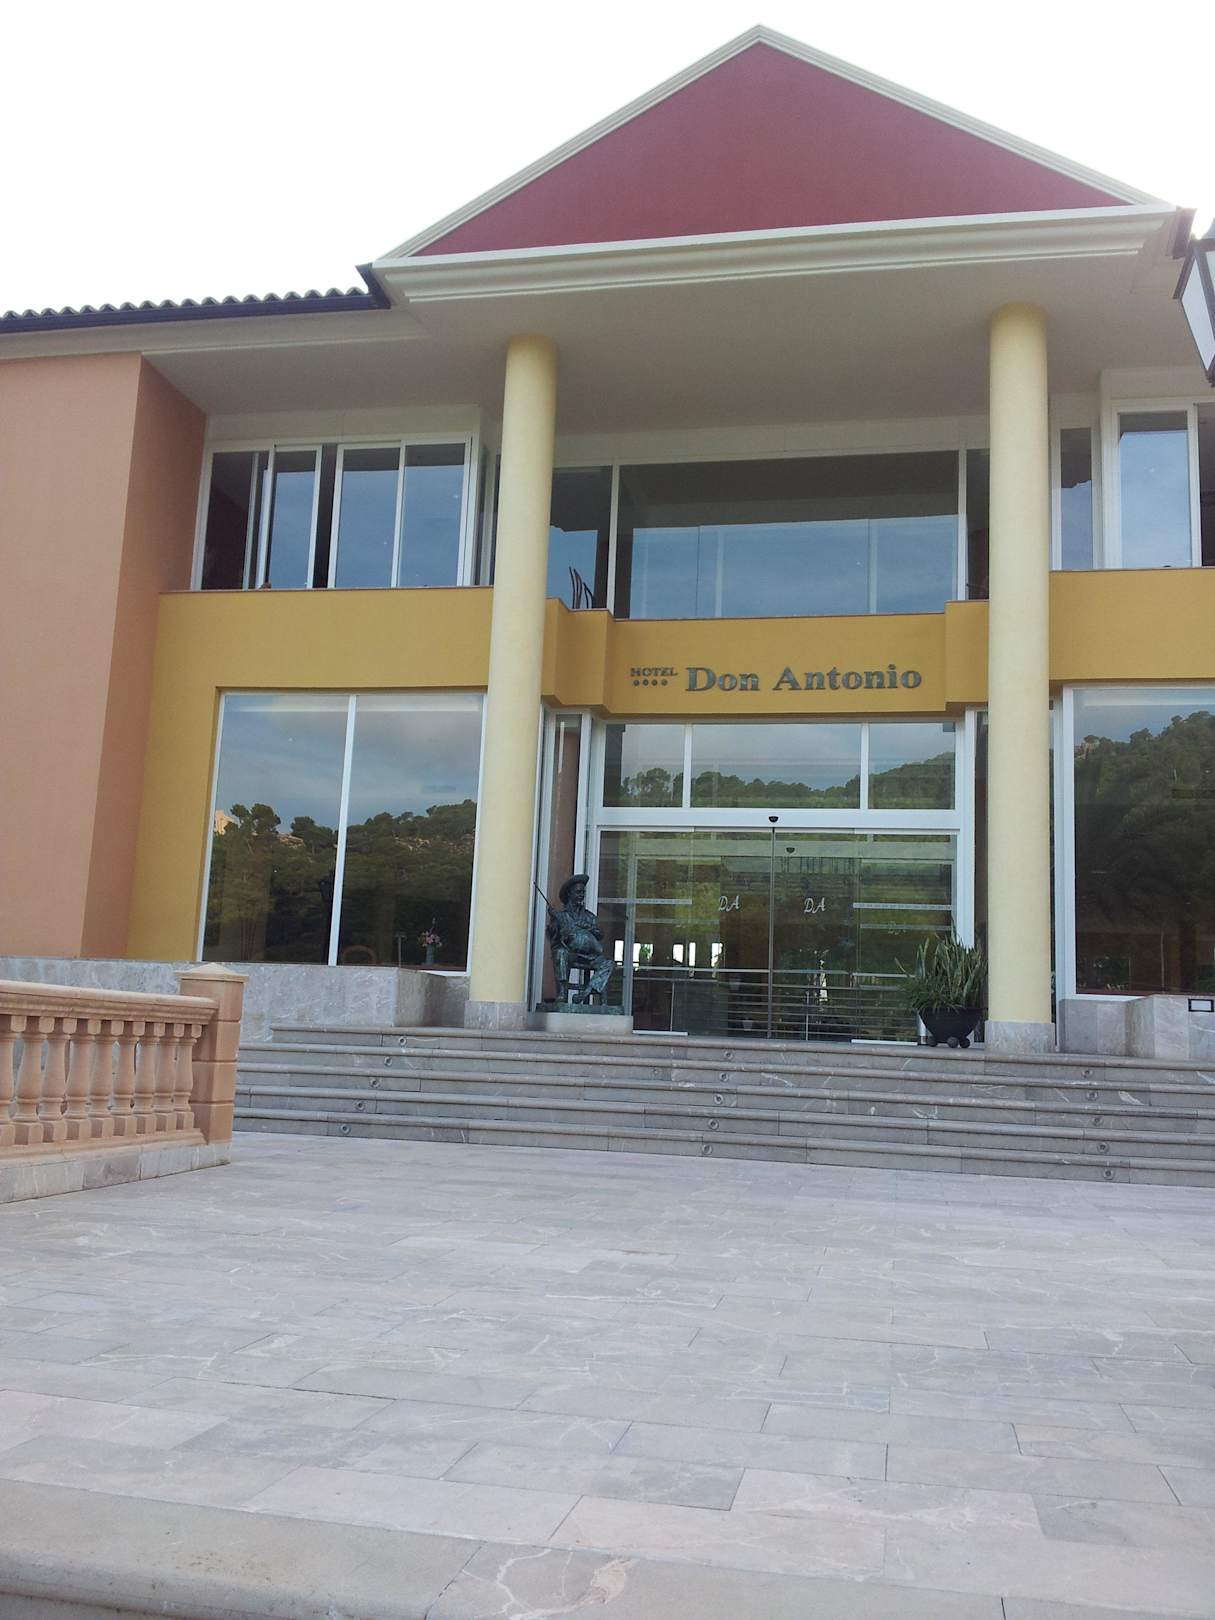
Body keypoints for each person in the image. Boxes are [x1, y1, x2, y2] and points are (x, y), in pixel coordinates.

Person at [546, 874, 614, 1004]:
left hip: (590, 956)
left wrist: (590, 928)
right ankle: (562, 992)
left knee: (608, 963)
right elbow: (552, 938)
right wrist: (555, 924)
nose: (581, 895)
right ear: (569, 894)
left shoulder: (590, 917)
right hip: (570, 953)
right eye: (578, 892)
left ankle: (587, 991)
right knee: (560, 953)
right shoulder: (561, 916)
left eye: (583, 892)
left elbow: (600, 934)